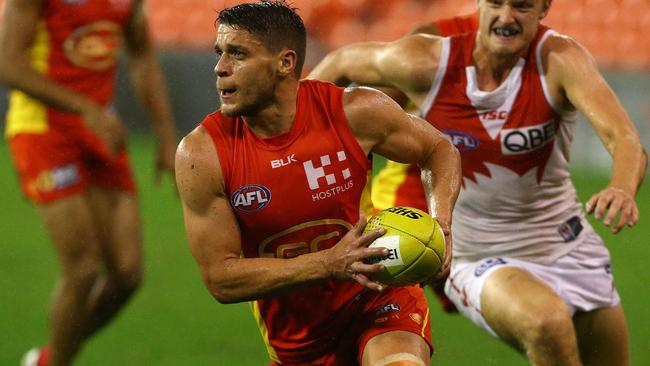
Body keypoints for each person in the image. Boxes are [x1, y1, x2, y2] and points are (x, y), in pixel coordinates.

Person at [309, 0, 647, 365]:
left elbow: (625, 139)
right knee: (546, 322)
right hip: (476, 254)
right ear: (479, 5)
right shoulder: (428, 62)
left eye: (521, 6)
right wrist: (296, 138)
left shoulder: (559, 59)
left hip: (566, 243)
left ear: (543, 9)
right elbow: (341, 63)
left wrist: (621, 188)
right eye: (496, 4)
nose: (506, 16)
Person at [175, 2, 461, 365]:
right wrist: (329, 263)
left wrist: (442, 222)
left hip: (378, 295)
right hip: (300, 338)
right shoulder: (202, 154)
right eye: (220, 54)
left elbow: (438, 148)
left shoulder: (354, 111)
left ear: (285, 63)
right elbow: (221, 278)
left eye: (238, 54)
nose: (220, 68)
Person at [0, 0, 178, 364]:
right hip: (42, 129)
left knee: (126, 274)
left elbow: (142, 55)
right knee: (82, 269)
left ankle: (49, 358)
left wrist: (164, 134)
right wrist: (84, 107)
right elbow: (8, 64)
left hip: (99, 128)